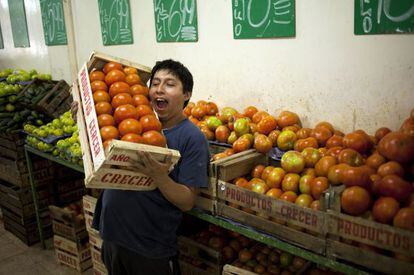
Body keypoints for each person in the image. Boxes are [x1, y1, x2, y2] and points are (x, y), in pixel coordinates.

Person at [74, 60, 210, 275]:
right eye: (155, 83)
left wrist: (160, 177)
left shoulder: (192, 138)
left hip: (148, 247)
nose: (159, 89)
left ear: (186, 95)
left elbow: (187, 201)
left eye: (169, 84)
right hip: (112, 235)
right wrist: (83, 119)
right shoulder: (133, 119)